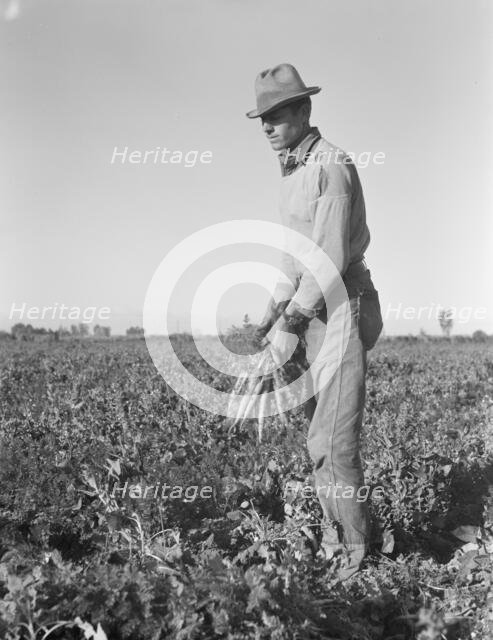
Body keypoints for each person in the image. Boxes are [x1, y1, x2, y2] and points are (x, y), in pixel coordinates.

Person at [246, 63, 383, 580]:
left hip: (340, 305)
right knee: (315, 438)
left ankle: (354, 558)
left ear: (304, 111)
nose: (267, 126)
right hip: (311, 306)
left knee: (332, 440)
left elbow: (326, 258)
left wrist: (293, 321)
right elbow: (294, 258)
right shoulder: (291, 170)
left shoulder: (332, 166)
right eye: (261, 117)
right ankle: (336, 540)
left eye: (277, 115)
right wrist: (270, 317)